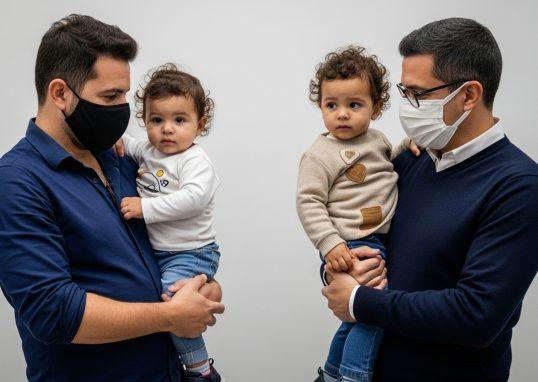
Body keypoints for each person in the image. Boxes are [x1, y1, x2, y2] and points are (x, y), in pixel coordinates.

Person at [0, 14, 224, 382]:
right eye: (110, 96)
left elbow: (162, 244)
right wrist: (170, 315)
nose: (123, 108)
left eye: (124, 93)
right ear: (60, 94)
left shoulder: (117, 157)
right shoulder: (17, 181)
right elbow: (51, 311)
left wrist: (200, 286)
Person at [322, 18, 538, 382]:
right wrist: (339, 267)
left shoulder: (519, 186)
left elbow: (476, 315)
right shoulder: (409, 160)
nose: (407, 106)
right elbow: (356, 225)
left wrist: (359, 301)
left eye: (418, 95)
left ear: (469, 95)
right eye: (403, 91)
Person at [296, 45, 417, 382]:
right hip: (352, 244)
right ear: (320, 106)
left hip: (374, 237)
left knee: (355, 316)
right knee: (374, 311)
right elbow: (309, 202)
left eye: (354, 105)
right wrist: (330, 244)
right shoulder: (321, 154)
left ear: (376, 107)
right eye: (331, 105)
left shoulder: (375, 140)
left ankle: (333, 372)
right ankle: (354, 375)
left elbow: (384, 165)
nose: (342, 114)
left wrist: (407, 145)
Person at [115, 63, 223, 381]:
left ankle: (199, 368)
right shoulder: (148, 150)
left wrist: (145, 208)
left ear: (199, 124)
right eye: (156, 120)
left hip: (192, 251)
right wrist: (111, 138)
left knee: (173, 303)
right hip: (164, 251)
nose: (167, 129)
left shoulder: (195, 161)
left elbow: (193, 200)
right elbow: (123, 139)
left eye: (179, 120)